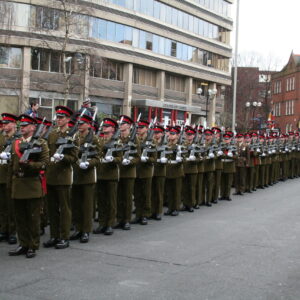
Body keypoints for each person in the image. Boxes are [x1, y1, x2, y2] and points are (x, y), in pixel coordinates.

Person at [8, 114, 49, 258]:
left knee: (33, 218)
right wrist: (10, 186)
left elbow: (44, 164)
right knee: (20, 218)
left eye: (25, 126)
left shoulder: (41, 143)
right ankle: (23, 244)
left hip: (32, 184)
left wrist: (30, 165)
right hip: (18, 185)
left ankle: (33, 245)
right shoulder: (16, 143)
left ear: (33, 127)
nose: (22, 128)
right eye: (21, 126)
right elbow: (11, 166)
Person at [43, 106, 79, 250]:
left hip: (63, 175)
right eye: (57, 117)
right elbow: (48, 154)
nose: (59, 120)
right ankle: (54, 235)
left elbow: (74, 157)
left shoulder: (73, 135)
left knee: (64, 208)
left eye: (62, 117)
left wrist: (63, 157)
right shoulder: (52, 134)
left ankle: (64, 237)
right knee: (52, 208)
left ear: (68, 119)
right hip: (51, 174)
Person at [70, 114, 101, 243]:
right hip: (76, 174)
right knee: (76, 204)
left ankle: (86, 231)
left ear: (88, 125)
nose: (79, 126)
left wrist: (89, 163)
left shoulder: (94, 138)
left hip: (88, 176)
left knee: (87, 205)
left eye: (82, 123)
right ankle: (78, 228)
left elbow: (98, 157)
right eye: (78, 123)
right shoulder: (74, 137)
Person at [94, 118, 122, 235]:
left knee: (111, 201)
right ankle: (102, 223)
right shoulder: (99, 140)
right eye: (104, 126)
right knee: (101, 201)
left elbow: (120, 158)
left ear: (113, 129)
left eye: (107, 126)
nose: (104, 127)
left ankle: (109, 224)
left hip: (111, 175)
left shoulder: (117, 142)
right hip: (100, 174)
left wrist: (113, 159)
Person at [115, 115, 140, 230]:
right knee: (119, 197)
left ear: (129, 126)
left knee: (127, 197)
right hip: (118, 171)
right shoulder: (118, 138)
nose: (121, 126)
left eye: (123, 124)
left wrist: (129, 161)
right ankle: (119, 219)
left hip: (129, 172)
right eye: (120, 124)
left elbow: (137, 157)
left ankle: (126, 220)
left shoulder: (134, 139)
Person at [133, 120, 156, 225]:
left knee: (146, 194)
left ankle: (145, 215)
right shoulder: (135, 139)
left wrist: (146, 159)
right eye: (138, 128)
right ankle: (138, 214)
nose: (139, 129)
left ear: (146, 128)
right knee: (137, 195)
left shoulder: (151, 141)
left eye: (141, 127)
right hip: (136, 171)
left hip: (146, 172)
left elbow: (154, 159)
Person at [0, 113, 19, 244]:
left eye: (7, 124)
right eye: (4, 124)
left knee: (11, 206)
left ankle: (12, 231)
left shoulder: (17, 139)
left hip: (12, 175)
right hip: (1, 175)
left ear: (13, 124)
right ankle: (3, 230)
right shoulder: (1, 138)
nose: (5, 126)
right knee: (2, 206)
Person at [164, 126, 184, 216]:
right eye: (170, 134)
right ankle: (170, 208)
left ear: (177, 136)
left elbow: (185, 157)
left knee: (176, 191)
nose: (171, 136)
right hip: (168, 170)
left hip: (177, 171)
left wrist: (181, 158)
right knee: (169, 191)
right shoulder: (167, 145)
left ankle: (176, 208)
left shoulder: (180, 146)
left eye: (173, 134)